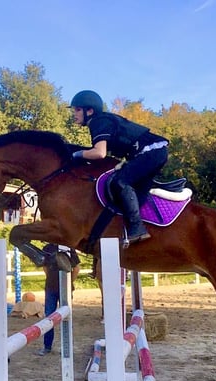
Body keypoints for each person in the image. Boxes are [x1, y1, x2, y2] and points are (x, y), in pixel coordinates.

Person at [70, 89, 169, 246]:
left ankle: (137, 228)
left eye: (77, 109)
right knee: (136, 194)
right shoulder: (103, 121)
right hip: (154, 152)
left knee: (119, 181)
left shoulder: (97, 122)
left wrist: (76, 154)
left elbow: (99, 153)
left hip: (151, 151)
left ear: (89, 110)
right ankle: (140, 231)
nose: (74, 114)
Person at [37, 243, 80, 356]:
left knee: (50, 316)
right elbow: (75, 269)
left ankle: (48, 347)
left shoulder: (51, 248)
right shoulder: (66, 248)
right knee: (56, 316)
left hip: (52, 287)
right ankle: (58, 346)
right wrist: (70, 282)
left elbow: (45, 268)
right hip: (57, 287)